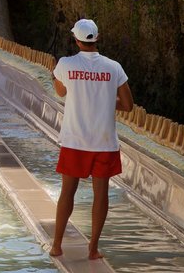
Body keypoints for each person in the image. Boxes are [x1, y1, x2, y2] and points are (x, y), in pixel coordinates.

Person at [49, 19, 134, 261]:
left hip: (75, 140)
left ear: (76, 40)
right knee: (101, 194)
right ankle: (93, 248)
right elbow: (128, 105)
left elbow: (61, 91)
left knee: (68, 192)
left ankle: (56, 245)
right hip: (104, 142)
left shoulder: (65, 64)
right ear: (97, 38)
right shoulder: (114, 67)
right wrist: (107, 101)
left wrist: (55, 78)